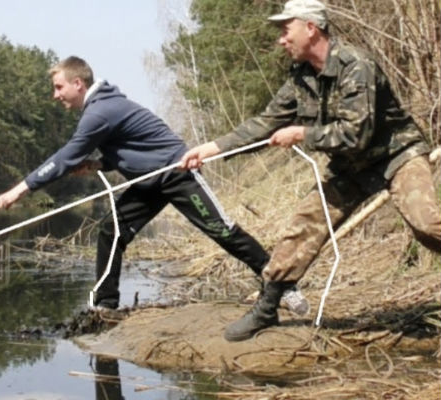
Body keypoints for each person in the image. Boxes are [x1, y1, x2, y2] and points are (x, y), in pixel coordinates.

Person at [180, 0, 441, 342]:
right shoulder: (301, 78)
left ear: (310, 28)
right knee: (304, 225)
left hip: (397, 155)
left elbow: (355, 134)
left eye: (286, 30)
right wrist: (212, 149)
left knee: (426, 224)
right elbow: (266, 122)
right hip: (350, 168)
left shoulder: (356, 65)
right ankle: (267, 307)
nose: (281, 40)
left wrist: (303, 134)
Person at [0, 56, 308, 313]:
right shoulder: (101, 108)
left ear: (78, 84)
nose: (55, 95)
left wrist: (20, 189)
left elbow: (64, 158)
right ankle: (106, 305)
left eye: (59, 87)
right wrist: (101, 164)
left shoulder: (99, 112)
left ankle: (282, 286)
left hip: (176, 174)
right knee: (111, 231)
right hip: (149, 183)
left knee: (222, 230)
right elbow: (134, 148)